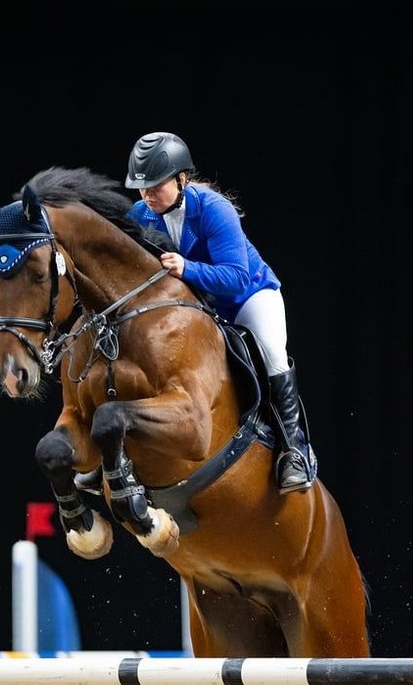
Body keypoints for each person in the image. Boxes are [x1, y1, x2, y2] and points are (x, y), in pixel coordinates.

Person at [124, 131, 317, 493]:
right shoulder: (140, 215)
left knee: (272, 353)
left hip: (248, 297)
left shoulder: (215, 209)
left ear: (182, 179)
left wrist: (187, 268)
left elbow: (236, 277)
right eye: (141, 187)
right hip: (199, 310)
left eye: (155, 185)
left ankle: (295, 450)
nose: (147, 195)